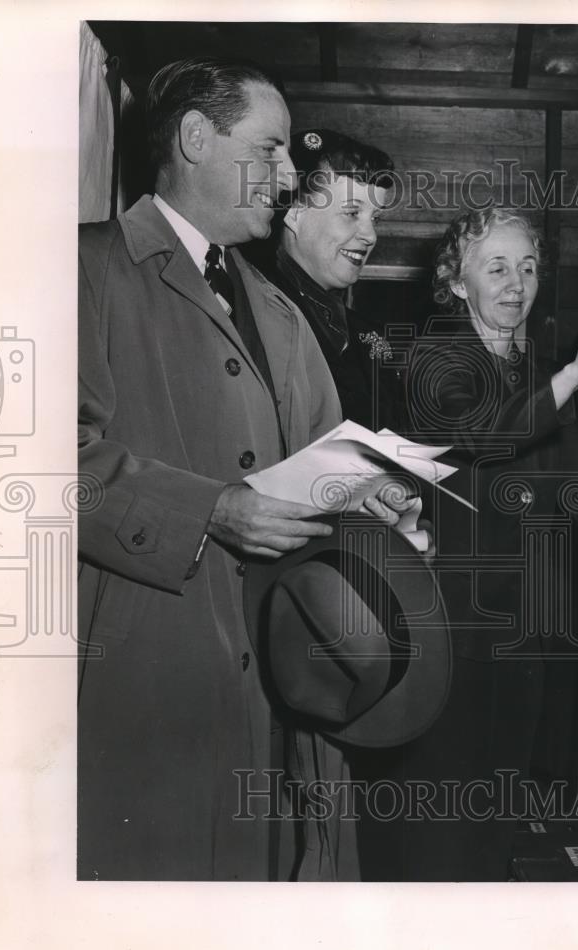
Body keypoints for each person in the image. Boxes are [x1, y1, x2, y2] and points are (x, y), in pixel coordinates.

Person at [77, 58, 389, 881]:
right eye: (272, 149)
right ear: (192, 138)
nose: (289, 177)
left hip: (275, 667)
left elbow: (321, 455)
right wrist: (210, 510)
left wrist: (369, 494)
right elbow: (34, 466)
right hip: (148, 668)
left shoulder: (277, 306)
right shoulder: (86, 269)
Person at [380, 206, 578, 880]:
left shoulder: (534, 369)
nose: (516, 281)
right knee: (440, 810)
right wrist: (577, 373)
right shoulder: (431, 357)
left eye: (527, 267)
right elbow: (485, 435)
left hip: (530, 626)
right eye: (495, 266)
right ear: (457, 283)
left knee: (501, 804)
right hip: (453, 624)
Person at [250, 127, 406, 432]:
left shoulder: (366, 334)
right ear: (295, 213)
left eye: (375, 219)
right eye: (351, 213)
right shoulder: (254, 310)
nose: (371, 235)